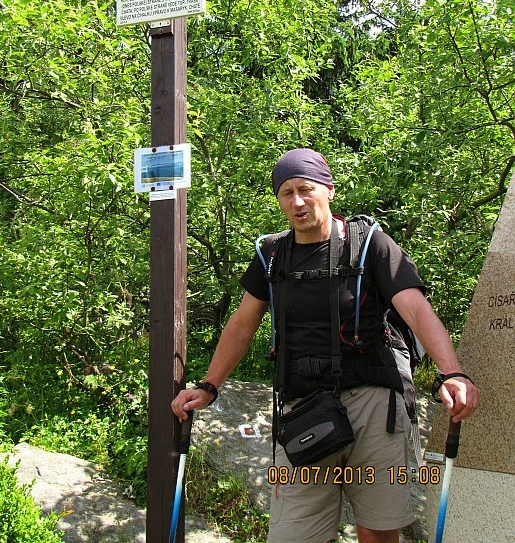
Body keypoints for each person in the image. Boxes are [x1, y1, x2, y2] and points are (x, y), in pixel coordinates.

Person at [171, 148, 480, 543]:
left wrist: (451, 373)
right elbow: (242, 325)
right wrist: (209, 385)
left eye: (305, 189)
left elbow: (417, 311)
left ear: (329, 190)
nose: (297, 201)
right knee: (292, 536)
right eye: (286, 192)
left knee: (378, 533)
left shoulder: (370, 246)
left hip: (374, 406)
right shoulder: (271, 256)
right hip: (303, 409)